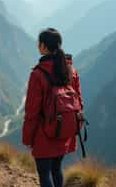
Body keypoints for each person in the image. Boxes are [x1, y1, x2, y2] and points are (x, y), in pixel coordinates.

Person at [22, 28, 83, 187]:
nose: (38, 45)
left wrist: (28, 137)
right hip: (64, 130)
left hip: (44, 133)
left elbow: (32, 111)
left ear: (43, 46)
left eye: (39, 43)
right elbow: (79, 101)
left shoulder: (38, 74)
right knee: (56, 169)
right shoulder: (70, 70)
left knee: (44, 173)